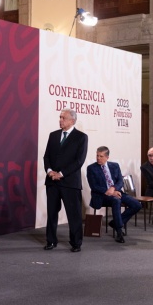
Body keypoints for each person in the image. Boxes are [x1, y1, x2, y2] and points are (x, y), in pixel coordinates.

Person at [43, 108, 88, 252]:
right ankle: (51, 241)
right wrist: (50, 171)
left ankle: (76, 243)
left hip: (70, 182)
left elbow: (79, 161)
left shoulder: (81, 137)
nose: (60, 120)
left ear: (72, 120)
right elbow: (47, 157)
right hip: (52, 182)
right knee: (51, 213)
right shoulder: (53, 135)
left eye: (63, 118)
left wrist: (61, 174)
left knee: (73, 214)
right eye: (60, 117)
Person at [86, 146, 141, 243]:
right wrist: (109, 191)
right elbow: (94, 186)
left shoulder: (115, 165)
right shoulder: (91, 168)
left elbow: (120, 181)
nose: (98, 158)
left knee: (137, 205)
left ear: (107, 157)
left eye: (101, 156)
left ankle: (115, 223)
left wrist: (114, 189)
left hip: (116, 192)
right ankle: (119, 231)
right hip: (101, 195)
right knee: (116, 200)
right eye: (97, 155)